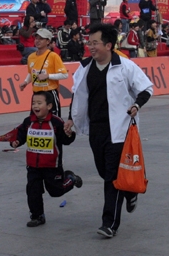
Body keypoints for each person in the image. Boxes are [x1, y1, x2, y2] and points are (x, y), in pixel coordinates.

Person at [64, 23, 153, 238]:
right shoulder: (85, 67)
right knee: (104, 171)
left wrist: (136, 105)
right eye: (89, 42)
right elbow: (78, 95)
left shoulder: (125, 66)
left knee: (111, 177)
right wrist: (70, 119)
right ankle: (130, 190)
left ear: (109, 45)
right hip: (97, 129)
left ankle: (109, 223)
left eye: (95, 43)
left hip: (120, 129)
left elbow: (146, 88)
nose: (90, 47)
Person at [10, 91, 82, 227]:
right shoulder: (28, 121)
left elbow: (66, 140)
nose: (35, 106)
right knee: (33, 190)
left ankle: (71, 179)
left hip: (52, 166)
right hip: (33, 166)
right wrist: (16, 142)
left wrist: (68, 134)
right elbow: (20, 134)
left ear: (49, 106)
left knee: (56, 191)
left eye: (39, 103)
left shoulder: (56, 122)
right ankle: (37, 216)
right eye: (33, 103)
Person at [19, 28, 68, 117]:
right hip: (36, 94)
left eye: (41, 39)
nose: (37, 41)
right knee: (35, 120)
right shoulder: (31, 57)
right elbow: (31, 72)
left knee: (54, 121)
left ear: (48, 41)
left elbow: (64, 75)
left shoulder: (53, 56)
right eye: (37, 38)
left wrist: (48, 76)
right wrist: (25, 82)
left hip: (49, 93)